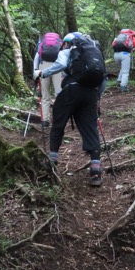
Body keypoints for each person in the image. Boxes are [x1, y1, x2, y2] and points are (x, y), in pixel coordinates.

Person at [34, 32, 106, 187]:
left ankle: (51, 164)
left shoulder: (68, 51)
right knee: (90, 129)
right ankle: (95, 171)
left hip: (71, 91)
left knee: (58, 124)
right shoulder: (95, 54)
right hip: (90, 94)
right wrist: (96, 99)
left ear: (67, 43)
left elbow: (59, 65)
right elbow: (103, 79)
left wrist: (42, 73)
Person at [32, 32, 63, 128]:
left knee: (45, 95)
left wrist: (35, 71)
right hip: (57, 66)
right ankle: (59, 119)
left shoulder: (41, 42)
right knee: (59, 94)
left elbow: (37, 56)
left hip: (43, 67)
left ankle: (45, 120)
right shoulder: (61, 42)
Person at [111, 28, 135, 93]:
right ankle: (123, 87)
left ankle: (119, 81)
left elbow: (113, 45)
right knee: (125, 72)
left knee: (122, 69)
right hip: (125, 55)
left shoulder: (119, 37)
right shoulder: (132, 37)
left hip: (116, 55)